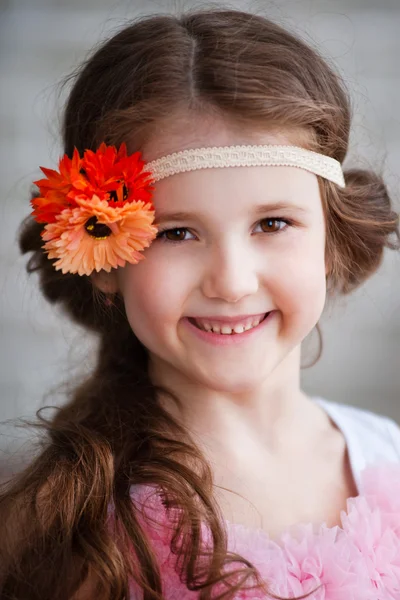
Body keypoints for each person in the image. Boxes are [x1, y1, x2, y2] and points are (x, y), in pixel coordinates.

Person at [1, 7, 400, 600]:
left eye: (273, 222)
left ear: (331, 239)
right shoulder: (74, 533)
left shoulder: (388, 455)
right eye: (175, 233)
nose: (233, 282)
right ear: (103, 254)